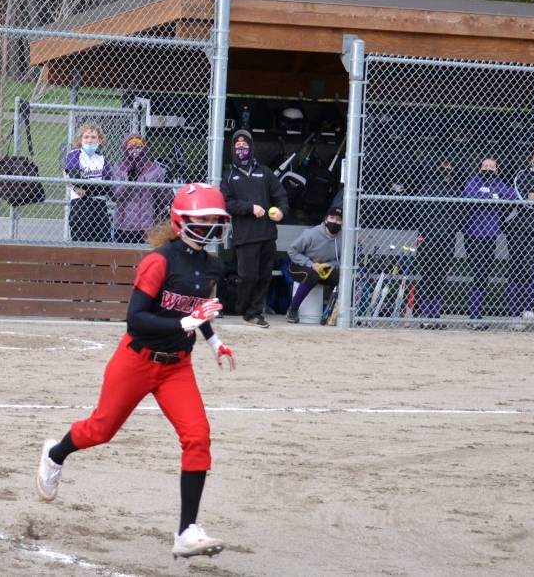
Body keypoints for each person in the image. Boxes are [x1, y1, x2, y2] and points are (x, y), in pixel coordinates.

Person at [34, 183, 237, 560]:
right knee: (100, 430)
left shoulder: (212, 265)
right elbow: (136, 319)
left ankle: (186, 532)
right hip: (137, 359)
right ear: (181, 222)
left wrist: (213, 341)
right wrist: (185, 323)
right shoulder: (159, 261)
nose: (211, 226)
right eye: (203, 219)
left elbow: (199, 310)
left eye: (215, 220)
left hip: (177, 366)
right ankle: (55, 454)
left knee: (198, 437)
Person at [220, 128, 287, 327]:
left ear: (251, 147)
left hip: (267, 234)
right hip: (245, 237)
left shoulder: (264, 172)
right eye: (238, 145)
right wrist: (250, 208)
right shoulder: (229, 175)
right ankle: (242, 308)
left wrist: (281, 211)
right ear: (233, 148)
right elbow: (226, 203)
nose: (241, 148)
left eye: (245, 144)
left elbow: (281, 195)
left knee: (264, 277)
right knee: (248, 277)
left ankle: (254, 313)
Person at [462, 156, 517, 330]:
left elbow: (512, 195)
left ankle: (476, 315)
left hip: (490, 235)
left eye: (491, 167)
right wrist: (493, 195)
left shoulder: (499, 183)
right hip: (473, 234)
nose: (488, 169)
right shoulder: (473, 180)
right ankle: (474, 317)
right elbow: (471, 194)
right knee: (478, 272)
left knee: (483, 273)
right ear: (480, 168)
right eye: (485, 166)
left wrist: (490, 193)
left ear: (496, 170)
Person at [414, 159, 461, 329]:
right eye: (442, 167)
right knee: (428, 274)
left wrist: (446, 214)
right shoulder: (427, 188)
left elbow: (459, 213)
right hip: (429, 236)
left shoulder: (455, 190)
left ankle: (435, 315)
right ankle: (425, 315)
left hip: (447, 237)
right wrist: (443, 208)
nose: (446, 170)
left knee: (441, 276)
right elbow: (421, 212)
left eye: (449, 167)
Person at [285, 206, 342, 323]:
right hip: (300, 265)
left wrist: (329, 265)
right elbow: (292, 251)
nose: (334, 222)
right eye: (332, 218)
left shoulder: (343, 238)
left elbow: (343, 260)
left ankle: (333, 314)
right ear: (325, 219)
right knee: (313, 275)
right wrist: (311, 264)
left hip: (325, 268)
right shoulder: (311, 234)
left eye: (338, 219)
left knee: (341, 277)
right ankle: (292, 310)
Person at [110, 133, 168, 244]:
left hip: (148, 224)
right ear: (125, 149)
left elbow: (162, 199)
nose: (135, 151)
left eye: (138, 147)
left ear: (144, 148)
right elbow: (116, 196)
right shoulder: (119, 168)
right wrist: (129, 181)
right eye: (131, 148)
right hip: (124, 224)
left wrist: (166, 185)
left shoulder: (154, 168)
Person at [508, 147, 534, 328]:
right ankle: (514, 314)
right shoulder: (522, 174)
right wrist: (533, 200)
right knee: (516, 268)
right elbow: (526, 201)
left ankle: (528, 310)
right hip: (520, 227)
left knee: (531, 268)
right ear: (531, 159)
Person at [64, 123, 112, 242]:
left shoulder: (103, 158)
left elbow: (107, 186)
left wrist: (84, 187)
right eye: (86, 137)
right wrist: (93, 187)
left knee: (102, 243)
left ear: (100, 140)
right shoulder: (74, 155)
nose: (90, 140)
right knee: (81, 242)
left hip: (100, 205)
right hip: (80, 205)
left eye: (93, 137)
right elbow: (75, 177)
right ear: (80, 140)